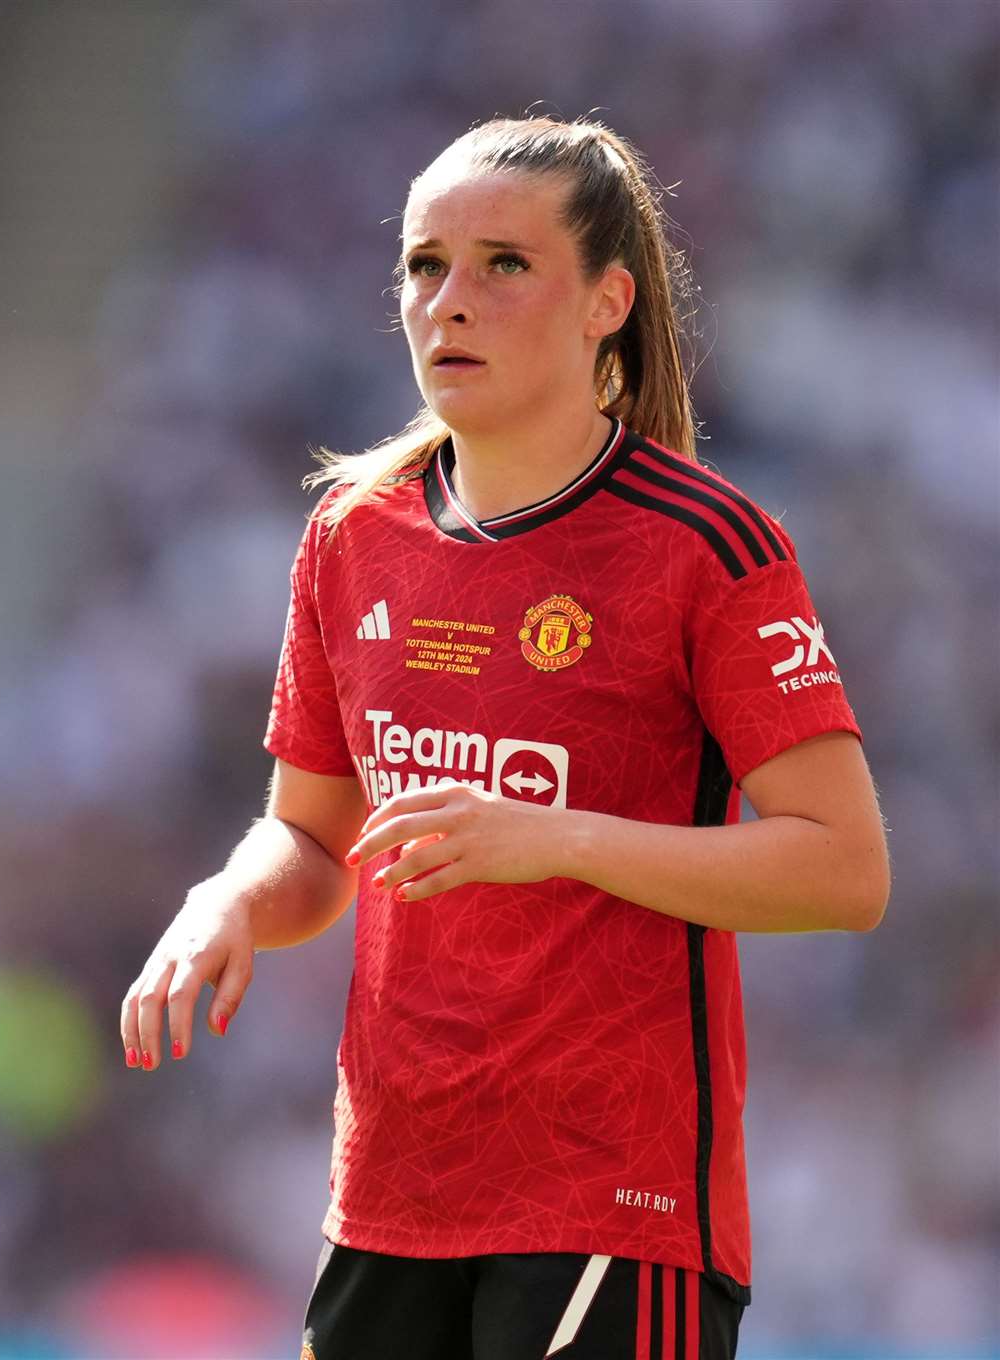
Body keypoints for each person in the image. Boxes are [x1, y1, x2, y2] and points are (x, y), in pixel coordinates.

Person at [120, 115, 890, 1360]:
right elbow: (311, 842)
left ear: (609, 302)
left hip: (612, 1203)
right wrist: (230, 900)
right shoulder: (351, 534)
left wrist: (561, 838)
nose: (450, 302)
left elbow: (845, 870)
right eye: (424, 265)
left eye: (504, 265)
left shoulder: (709, 545)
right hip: (388, 1193)